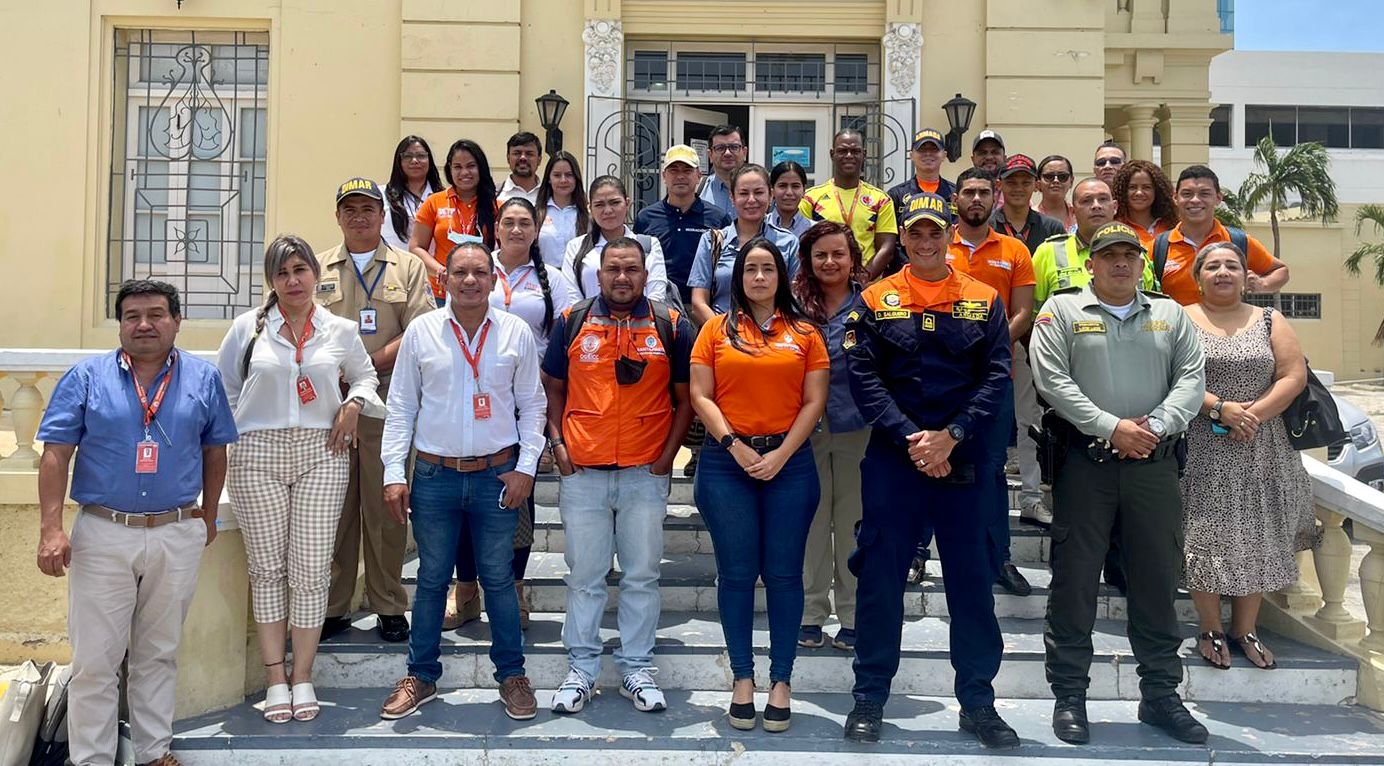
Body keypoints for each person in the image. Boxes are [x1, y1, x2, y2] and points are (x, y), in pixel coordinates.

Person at [842, 192, 1017, 749]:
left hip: (963, 461)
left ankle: (979, 703)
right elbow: (862, 375)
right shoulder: (876, 298)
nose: (923, 242)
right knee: (879, 580)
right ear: (905, 240)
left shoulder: (982, 299)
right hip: (897, 460)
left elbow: (996, 375)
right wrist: (912, 438)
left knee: (971, 585)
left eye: (933, 233)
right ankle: (869, 697)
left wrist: (952, 435)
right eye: (914, 234)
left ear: (949, 236)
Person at [36, 280, 237, 766]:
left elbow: (216, 450)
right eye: (131, 315)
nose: (143, 324)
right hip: (103, 533)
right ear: (120, 323)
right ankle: (92, 760)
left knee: (158, 653)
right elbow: (56, 454)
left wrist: (207, 516)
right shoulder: (86, 377)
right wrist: (50, 529)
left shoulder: (202, 379)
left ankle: (153, 752)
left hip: (175, 532)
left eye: (155, 314)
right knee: (95, 661)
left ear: (176, 320)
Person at [1030, 221, 1209, 746]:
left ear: (1141, 262)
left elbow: (1191, 381)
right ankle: (1069, 695)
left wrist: (1150, 429)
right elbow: (1051, 381)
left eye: (1129, 254)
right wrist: (1113, 428)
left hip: (1153, 464)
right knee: (1075, 582)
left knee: (1155, 580)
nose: (1121, 263)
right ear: (1092, 263)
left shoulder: (1170, 314)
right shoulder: (1062, 310)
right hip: (1086, 464)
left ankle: (1160, 696)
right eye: (1109, 255)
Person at [217, 234, 386, 724]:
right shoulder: (247, 328)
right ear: (271, 280)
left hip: (323, 451)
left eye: (300, 270)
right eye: (283, 273)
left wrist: (354, 404)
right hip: (257, 454)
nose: (293, 281)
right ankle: (275, 679)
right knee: (267, 569)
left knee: (311, 571)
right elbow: (224, 389)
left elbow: (366, 375)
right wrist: (237, 439)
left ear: (316, 274)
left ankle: (303, 675)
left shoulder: (338, 328)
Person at [378, 241, 546, 722]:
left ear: (493, 280)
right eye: (460, 273)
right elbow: (402, 408)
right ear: (444, 279)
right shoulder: (422, 332)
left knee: (499, 578)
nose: (470, 281)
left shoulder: (514, 332)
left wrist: (526, 468)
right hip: (435, 476)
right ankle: (421, 675)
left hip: (498, 474)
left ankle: (511, 675)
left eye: (479, 273)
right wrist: (394, 473)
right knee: (432, 579)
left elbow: (533, 406)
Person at [542, 236, 696, 714]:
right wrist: (560, 445)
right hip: (583, 472)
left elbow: (687, 398)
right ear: (599, 274)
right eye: (614, 269)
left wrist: (666, 457)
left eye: (632, 269)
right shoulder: (572, 321)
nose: (623, 277)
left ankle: (637, 667)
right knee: (585, 576)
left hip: (643, 473)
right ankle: (582, 668)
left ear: (645, 275)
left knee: (642, 576)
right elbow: (551, 388)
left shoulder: (671, 324)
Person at [690, 237, 829, 733]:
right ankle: (743, 679)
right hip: (728, 462)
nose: (759, 278)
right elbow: (701, 396)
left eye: (768, 268)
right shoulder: (714, 330)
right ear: (738, 277)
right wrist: (737, 447)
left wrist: (780, 454)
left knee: (785, 575)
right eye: (750, 269)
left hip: (789, 464)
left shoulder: (805, 333)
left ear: (782, 276)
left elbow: (814, 403)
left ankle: (782, 681)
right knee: (737, 573)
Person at [443, 198, 579, 632]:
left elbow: (570, 330)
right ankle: (465, 590)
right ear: (495, 227)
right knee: (464, 499)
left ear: (537, 231)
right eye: (509, 222)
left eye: (526, 223)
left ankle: (514, 588)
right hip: (465, 397)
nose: (517, 230)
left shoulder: (552, 280)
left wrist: (543, 373)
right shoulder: (475, 269)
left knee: (517, 499)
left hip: (524, 399)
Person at [1180, 242, 1316, 671]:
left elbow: (1293, 375)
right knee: (1205, 536)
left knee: (1256, 536)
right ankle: (1210, 628)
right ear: (1198, 275)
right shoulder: (1180, 319)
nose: (1223, 272)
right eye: (1213, 266)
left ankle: (1245, 629)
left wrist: (1250, 416)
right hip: (1202, 445)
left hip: (1262, 446)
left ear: (1246, 276)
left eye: (1232, 266)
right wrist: (1221, 409)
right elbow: (1168, 377)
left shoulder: (1271, 320)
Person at [315, 179, 435, 645]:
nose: (360, 217)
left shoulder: (407, 267)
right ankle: (333, 605)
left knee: (387, 510)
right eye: (351, 210)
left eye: (368, 208)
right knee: (334, 510)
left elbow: (420, 329)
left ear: (382, 215)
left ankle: (387, 603)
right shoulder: (318, 265)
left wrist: (366, 366)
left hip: (387, 403)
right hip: (330, 406)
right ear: (338, 216)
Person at [950, 167, 1040, 585]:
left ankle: (1000, 558)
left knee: (990, 468)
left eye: (984, 192)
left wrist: (988, 344)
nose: (975, 199)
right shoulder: (935, 243)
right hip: (938, 377)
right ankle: (916, 552)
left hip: (992, 376)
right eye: (968, 192)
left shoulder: (1014, 250)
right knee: (925, 463)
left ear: (996, 197)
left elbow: (1023, 311)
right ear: (956, 200)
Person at [792, 221, 869, 652]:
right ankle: (811, 613)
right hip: (805, 429)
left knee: (854, 523)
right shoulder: (794, 307)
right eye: (820, 254)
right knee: (813, 523)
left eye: (838, 253)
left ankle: (855, 614)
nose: (830, 262)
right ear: (808, 260)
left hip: (859, 426)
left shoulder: (871, 304)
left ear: (852, 257)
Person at [1156, 165, 1289, 306]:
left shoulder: (1237, 241)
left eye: (1204, 193)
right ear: (1176, 198)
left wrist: (1262, 284)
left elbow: (1281, 271)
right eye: (1187, 194)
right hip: (1176, 327)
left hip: (1228, 326)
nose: (1195, 200)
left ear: (1218, 198)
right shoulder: (1159, 247)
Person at [690, 164, 802, 324]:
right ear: (732, 198)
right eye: (743, 193)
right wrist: (727, 335)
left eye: (758, 192)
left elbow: (795, 300)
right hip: (723, 336)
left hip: (774, 338)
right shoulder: (712, 241)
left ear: (770, 196)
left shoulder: (789, 243)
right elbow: (698, 303)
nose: (751, 200)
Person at [1032, 178, 1155, 308]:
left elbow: (1151, 308)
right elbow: (1034, 314)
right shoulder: (1049, 252)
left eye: (1103, 199)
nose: (1096, 205)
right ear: (1073, 212)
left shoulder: (1137, 253)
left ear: (1115, 207)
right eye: (1087, 201)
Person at [635, 144, 731, 304]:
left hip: (704, 306)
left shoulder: (718, 218)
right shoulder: (646, 218)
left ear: (699, 175)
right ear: (664, 176)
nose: (680, 176)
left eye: (687, 171)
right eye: (674, 170)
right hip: (659, 305)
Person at [800, 129, 898, 279]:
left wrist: (863, 279)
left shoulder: (881, 200)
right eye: (842, 151)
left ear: (864, 154)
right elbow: (803, 246)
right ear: (832, 154)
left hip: (866, 289)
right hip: (823, 284)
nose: (849, 156)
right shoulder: (810, 199)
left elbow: (887, 248)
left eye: (855, 151)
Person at [411, 139, 499, 305]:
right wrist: (441, 271)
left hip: (480, 292)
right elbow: (416, 247)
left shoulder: (496, 206)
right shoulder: (434, 202)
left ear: (481, 168)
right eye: (458, 167)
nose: (464, 172)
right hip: (440, 292)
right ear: (449, 170)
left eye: (471, 166)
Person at [562, 175, 669, 302]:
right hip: (590, 321)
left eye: (615, 203)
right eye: (599, 205)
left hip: (642, 321)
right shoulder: (576, 246)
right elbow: (571, 297)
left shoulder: (649, 244)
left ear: (627, 203)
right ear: (590, 208)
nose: (608, 210)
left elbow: (656, 295)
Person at [992, 154, 1067, 254]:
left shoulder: (1053, 228)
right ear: (999, 185)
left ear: (1036, 185)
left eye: (1026, 183)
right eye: (1011, 183)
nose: (1018, 189)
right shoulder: (987, 226)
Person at [382, 136, 443, 253]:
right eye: (407, 156)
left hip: (433, 268)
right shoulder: (383, 195)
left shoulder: (444, 197)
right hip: (395, 267)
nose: (414, 161)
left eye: (421, 156)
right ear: (398, 162)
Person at [535, 150, 589, 267]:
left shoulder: (588, 215)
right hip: (545, 279)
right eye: (557, 175)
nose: (563, 180)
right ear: (549, 179)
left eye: (569, 175)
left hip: (577, 280)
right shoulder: (536, 214)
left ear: (576, 178)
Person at [888, 128, 957, 214]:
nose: (928, 154)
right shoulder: (897, 195)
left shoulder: (956, 193)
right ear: (911, 155)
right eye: (922, 149)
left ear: (944, 155)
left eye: (934, 149)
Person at [1113, 159, 1178, 249]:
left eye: (1146, 187)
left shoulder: (1173, 226)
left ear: (1157, 191)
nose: (1139, 193)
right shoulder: (1115, 227)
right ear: (1123, 191)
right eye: (1132, 187)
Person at [699, 124, 747, 218]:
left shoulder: (760, 192)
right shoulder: (698, 191)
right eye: (720, 148)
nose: (727, 153)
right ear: (710, 155)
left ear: (744, 153)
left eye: (734, 147)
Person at [767, 160, 813, 238]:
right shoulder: (760, 226)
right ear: (772, 190)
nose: (789, 192)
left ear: (804, 190)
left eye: (795, 186)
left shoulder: (814, 230)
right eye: (782, 186)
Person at [1036, 155, 1078, 234]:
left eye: (1062, 176)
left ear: (1071, 181)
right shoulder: (1031, 217)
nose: (1056, 181)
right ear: (1038, 183)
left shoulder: (1079, 214)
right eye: (1049, 176)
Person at [498, 131, 542, 205]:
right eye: (517, 153)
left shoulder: (550, 195)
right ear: (508, 158)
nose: (523, 158)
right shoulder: (495, 194)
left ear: (539, 160)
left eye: (529, 154)